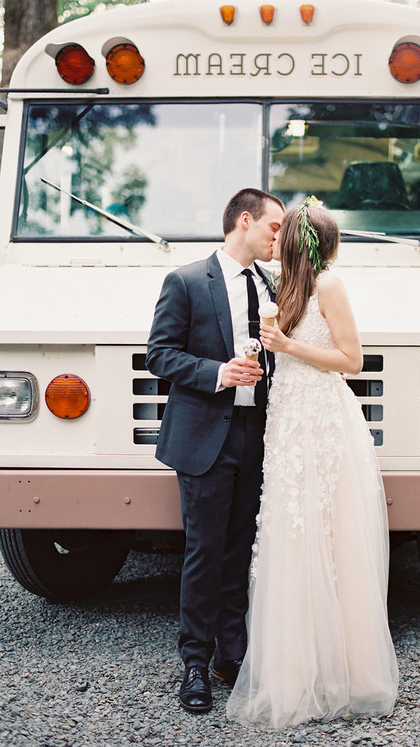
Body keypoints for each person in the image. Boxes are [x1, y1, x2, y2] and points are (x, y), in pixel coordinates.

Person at [226, 198, 399, 728]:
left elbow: (352, 360)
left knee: (329, 533)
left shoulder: (329, 285)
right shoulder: (288, 287)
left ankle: (344, 670)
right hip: (288, 420)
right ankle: (296, 669)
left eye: (282, 234)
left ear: (302, 242)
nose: (273, 241)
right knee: (290, 535)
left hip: (322, 419)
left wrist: (288, 347)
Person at [146, 188, 285, 714]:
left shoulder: (270, 284)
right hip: (205, 436)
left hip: (256, 434)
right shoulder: (185, 281)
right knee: (204, 552)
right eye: (274, 227)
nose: (279, 237)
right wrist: (218, 373)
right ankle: (194, 666)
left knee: (238, 549)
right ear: (244, 221)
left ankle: (233, 655)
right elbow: (159, 355)